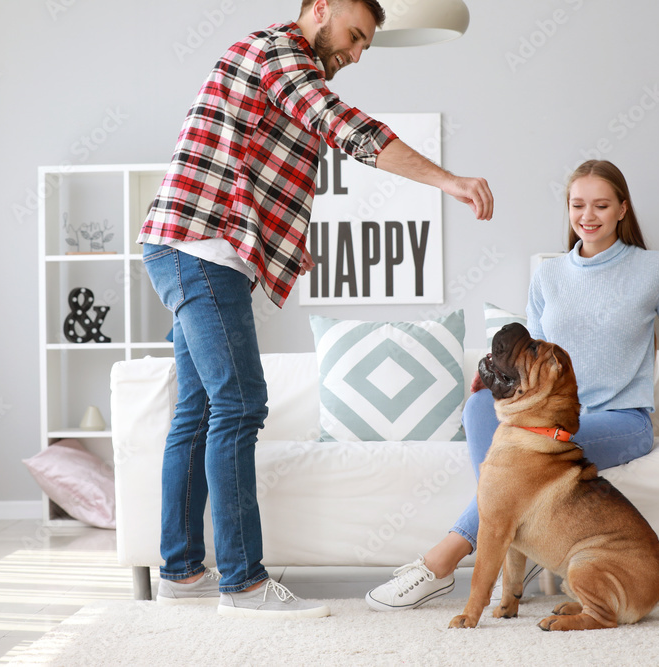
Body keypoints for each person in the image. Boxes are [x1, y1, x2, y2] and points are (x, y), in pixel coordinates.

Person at [139, 0, 493, 620]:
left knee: (196, 411)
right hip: (200, 248)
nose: (356, 54)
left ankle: (181, 571)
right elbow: (345, 127)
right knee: (239, 404)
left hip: (192, 246)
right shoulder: (280, 52)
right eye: (355, 35)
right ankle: (244, 586)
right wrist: (450, 181)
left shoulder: (277, 64)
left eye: (366, 46)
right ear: (319, 8)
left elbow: (275, 160)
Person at [365, 159, 659, 612]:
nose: (588, 215)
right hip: (547, 420)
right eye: (578, 205)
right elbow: (532, 357)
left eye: (601, 205)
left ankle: (443, 560)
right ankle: (514, 539)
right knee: (479, 410)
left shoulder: (654, 268)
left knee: (508, 484)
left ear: (622, 208)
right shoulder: (550, 275)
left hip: (620, 420)